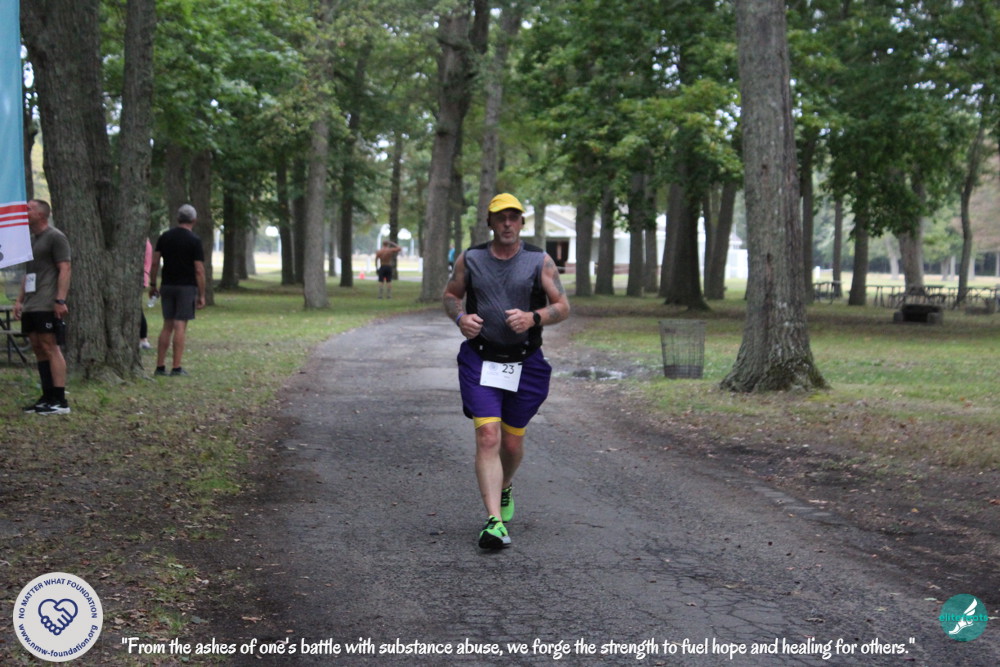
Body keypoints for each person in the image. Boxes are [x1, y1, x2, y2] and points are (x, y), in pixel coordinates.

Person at [442, 193, 570, 549]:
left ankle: (505, 485)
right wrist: (460, 317)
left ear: (522, 222)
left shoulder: (539, 261)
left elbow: (562, 305)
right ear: (490, 222)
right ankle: (494, 522)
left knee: (511, 443)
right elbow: (450, 295)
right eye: (501, 217)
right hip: (481, 359)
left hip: (525, 363)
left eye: (514, 217)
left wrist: (534, 317)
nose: (508, 223)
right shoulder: (471, 259)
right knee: (488, 436)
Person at [14, 199, 72, 415]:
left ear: (41, 214)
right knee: (37, 347)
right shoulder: (30, 241)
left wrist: (60, 300)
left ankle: (60, 400)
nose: (24, 211)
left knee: (50, 346)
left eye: (28, 208)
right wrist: (20, 300)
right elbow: (28, 273)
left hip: (47, 301)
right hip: (32, 303)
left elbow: (65, 268)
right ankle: (47, 397)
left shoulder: (56, 237)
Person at [149, 204, 206, 377]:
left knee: (167, 324)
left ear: (177, 218)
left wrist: (153, 284)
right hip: (186, 287)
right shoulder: (194, 240)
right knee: (180, 325)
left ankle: (160, 366)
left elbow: (155, 262)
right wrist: (202, 294)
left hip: (167, 285)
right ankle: (176, 367)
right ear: (194, 220)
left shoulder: (165, 237)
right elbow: (199, 269)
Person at [140, 238, 152, 349]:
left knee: (137, 309)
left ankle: (143, 338)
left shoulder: (143, 241)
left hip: (141, 276)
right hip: (142, 276)